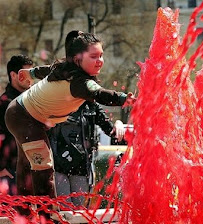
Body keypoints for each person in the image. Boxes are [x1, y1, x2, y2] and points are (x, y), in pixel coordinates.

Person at [5, 31, 134, 218]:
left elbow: (45, 69)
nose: (100, 61)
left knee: (26, 164)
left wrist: (31, 73)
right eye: (94, 56)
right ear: (77, 59)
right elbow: (100, 94)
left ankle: (24, 211)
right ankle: (46, 215)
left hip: (22, 113)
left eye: (101, 55)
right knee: (43, 164)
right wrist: (125, 99)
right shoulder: (79, 82)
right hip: (23, 118)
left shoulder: (65, 69)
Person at [49, 101, 125, 207]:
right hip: (58, 166)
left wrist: (118, 124)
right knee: (64, 210)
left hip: (81, 167)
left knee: (79, 211)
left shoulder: (91, 105)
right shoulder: (56, 99)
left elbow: (111, 130)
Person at [0, 55, 34, 195]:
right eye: (25, 74)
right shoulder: (4, 103)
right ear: (13, 75)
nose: (30, 78)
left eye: (32, 73)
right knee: (11, 216)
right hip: (11, 172)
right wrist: (2, 167)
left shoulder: (34, 100)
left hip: (32, 169)